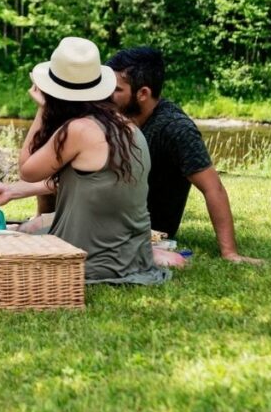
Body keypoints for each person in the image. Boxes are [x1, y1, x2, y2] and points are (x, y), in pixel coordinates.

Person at [8, 37, 171, 283]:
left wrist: (42, 110)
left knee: (7, 238)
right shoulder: (128, 126)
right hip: (134, 259)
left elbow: (27, 170)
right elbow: (90, 187)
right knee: (30, 229)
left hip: (89, 261)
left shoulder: (78, 130)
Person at [106, 47, 262, 265]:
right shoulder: (114, 113)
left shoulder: (176, 128)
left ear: (143, 93)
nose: (106, 94)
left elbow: (212, 187)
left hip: (145, 228)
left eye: (115, 89)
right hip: (108, 212)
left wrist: (230, 253)